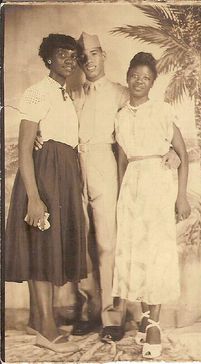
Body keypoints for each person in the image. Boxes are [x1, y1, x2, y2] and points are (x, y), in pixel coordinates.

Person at [35, 32, 181, 342]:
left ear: (104, 56)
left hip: (105, 164)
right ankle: (90, 312)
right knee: (83, 242)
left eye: (95, 54)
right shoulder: (71, 94)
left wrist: (173, 152)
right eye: (84, 56)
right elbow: (53, 123)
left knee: (108, 243)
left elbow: (151, 121)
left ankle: (113, 316)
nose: (89, 61)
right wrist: (40, 136)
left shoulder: (119, 92)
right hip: (75, 166)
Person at [5, 34, 86, 353]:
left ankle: (39, 321)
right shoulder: (38, 93)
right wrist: (34, 198)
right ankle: (47, 330)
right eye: (62, 55)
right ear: (48, 59)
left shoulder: (65, 95)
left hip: (62, 175)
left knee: (49, 247)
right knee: (41, 247)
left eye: (73, 55)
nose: (69, 60)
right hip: (43, 177)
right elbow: (25, 148)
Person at [112, 52, 191, 358]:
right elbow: (122, 160)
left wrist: (181, 196)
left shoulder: (162, 111)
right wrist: (122, 196)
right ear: (128, 75)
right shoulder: (120, 115)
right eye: (135, 75)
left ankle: (155, 324)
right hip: (132, 188)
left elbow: (183, 154)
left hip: (158, 185)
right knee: (138, 253)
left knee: (156, 253)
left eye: (146, 78)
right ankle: (145, 320)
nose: (138, 82)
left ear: (153, 83)